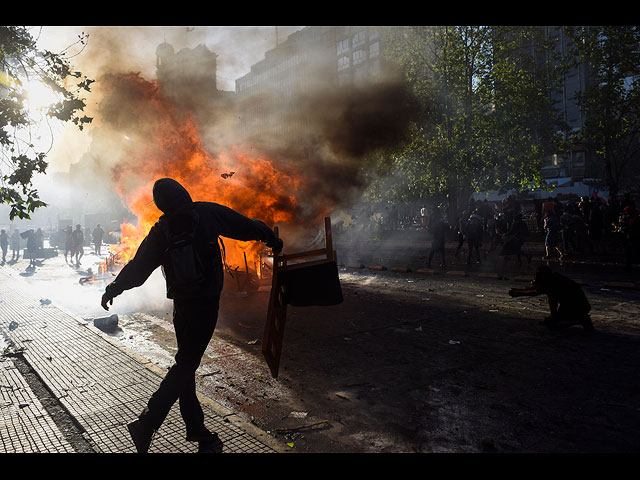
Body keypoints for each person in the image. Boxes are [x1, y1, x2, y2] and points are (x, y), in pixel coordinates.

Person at [100, 178, 283, 454]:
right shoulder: (206, 213)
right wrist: (270, 237)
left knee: (186, 362)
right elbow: (243, 226)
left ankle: (196, 429)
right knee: (186, 363)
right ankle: (147, 423)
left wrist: (114, 287)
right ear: (183, 193)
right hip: (205, 302)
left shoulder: (162, 231)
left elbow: (138, 269)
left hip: (183, 305)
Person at [508, 265, 594, 331]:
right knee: (551, 321)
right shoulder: (553, 278)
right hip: (576, 305)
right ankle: (577, 318)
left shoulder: (552, 285)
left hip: (577, 307)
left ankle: (580, 320)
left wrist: (554, 318)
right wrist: (519, 291)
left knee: (554, 325)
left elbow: (546, 298)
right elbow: (537, 288)